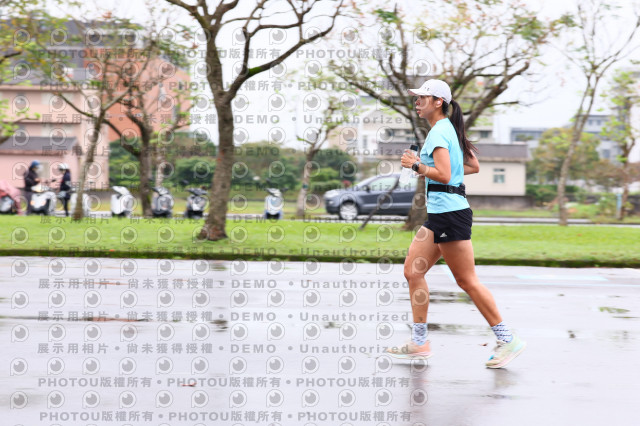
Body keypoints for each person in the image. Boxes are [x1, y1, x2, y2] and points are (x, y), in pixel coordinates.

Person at [385, 79, 526, 368]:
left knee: (466, 280)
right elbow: (471, 166)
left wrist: (416, 165)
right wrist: (430, 168)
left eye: (423, 97)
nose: (417, 101)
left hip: (450, 215)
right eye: (416, 97)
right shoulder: (448, 129)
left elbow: (446, 174)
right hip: (440, 216)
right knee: (413, 272)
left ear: (438, 101)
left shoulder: (440, 132)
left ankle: (507, 338)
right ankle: (420, 342)